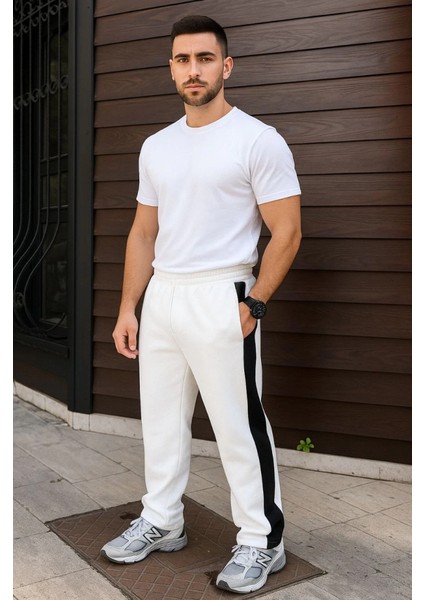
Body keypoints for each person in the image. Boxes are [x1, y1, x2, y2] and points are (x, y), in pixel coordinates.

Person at [101, 15, 302, 595]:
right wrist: (129, 307)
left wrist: (256, 302)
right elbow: (144, 233)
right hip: (164, 296)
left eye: (205, 58)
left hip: (223, 293)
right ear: (171, 68)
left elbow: (287, 231)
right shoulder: (157, 147)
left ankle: (262, 540)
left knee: (239, 427)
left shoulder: (257, 139)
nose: (194, 70)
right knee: (162, 422)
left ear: (226, 66)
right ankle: (163, 521)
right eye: (183, 60)